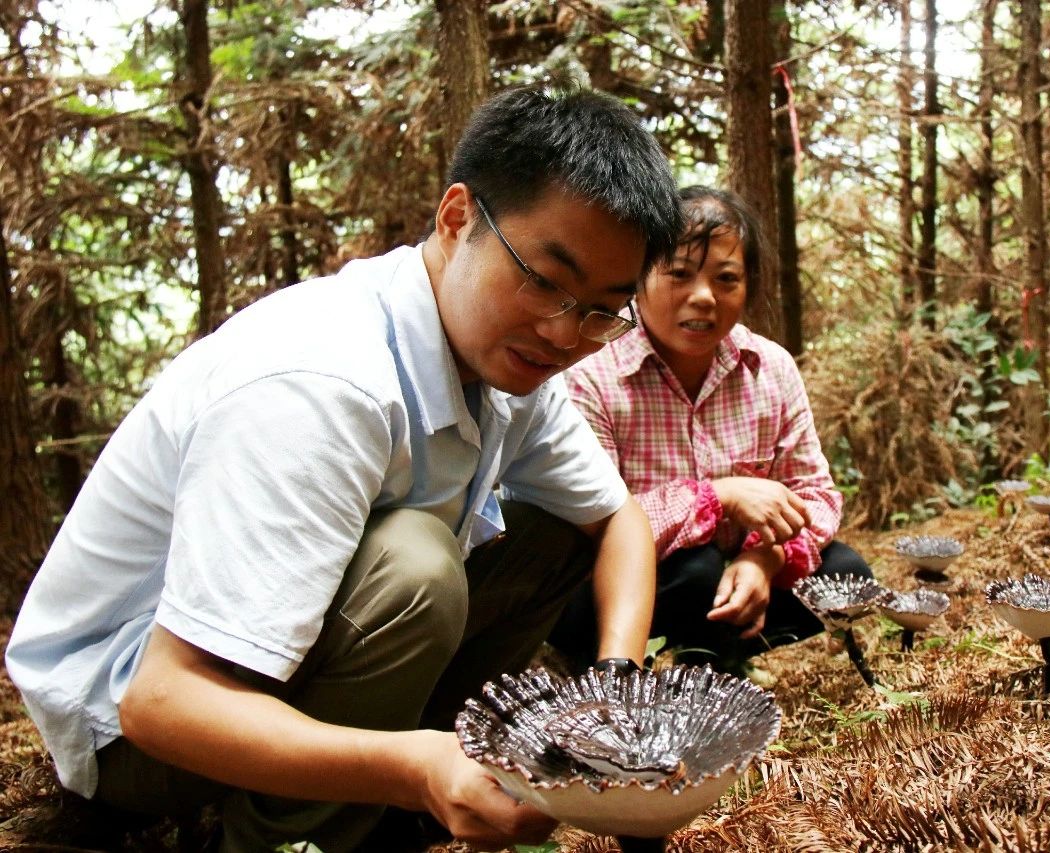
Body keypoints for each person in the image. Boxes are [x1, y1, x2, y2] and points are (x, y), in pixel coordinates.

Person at [5, 87, 683, 853]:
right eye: (544, 279)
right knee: (416, 568)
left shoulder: (509, 363)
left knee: (553, 529)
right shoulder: (324, 383)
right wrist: (413, 766)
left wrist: (615, 685)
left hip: (281, 667)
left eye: (602, 309)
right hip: (130, 727)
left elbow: (617, 518)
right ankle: (285, 836)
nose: (565, 332)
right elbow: (162, 701)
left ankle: (393, 784)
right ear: (457, 218)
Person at [549, 186, 873, 678]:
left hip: (729, 573)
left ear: (748, 287)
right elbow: (592, 529)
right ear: (638, 278)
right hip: (614, 588)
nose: (703, 297)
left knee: (847, 572)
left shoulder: (770, 368)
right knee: (695, 572)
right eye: (679, 273)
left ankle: (721, 654)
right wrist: (717, 497)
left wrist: (766, 558)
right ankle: (620, 661)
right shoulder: (594, 373)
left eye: (726, 279)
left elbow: (816, 495)